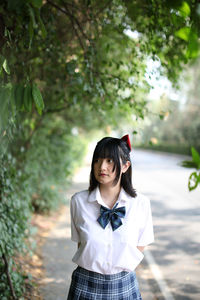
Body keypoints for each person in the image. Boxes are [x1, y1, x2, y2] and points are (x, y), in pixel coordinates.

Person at [67, 135, 154, 300]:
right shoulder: (78, 202)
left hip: (124, 285)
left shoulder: (141, 204)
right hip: (85, 285)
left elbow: (140, 245)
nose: (102, 167)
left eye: (110, 161)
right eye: (97, 160)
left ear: (125, 166)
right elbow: (81, 244)